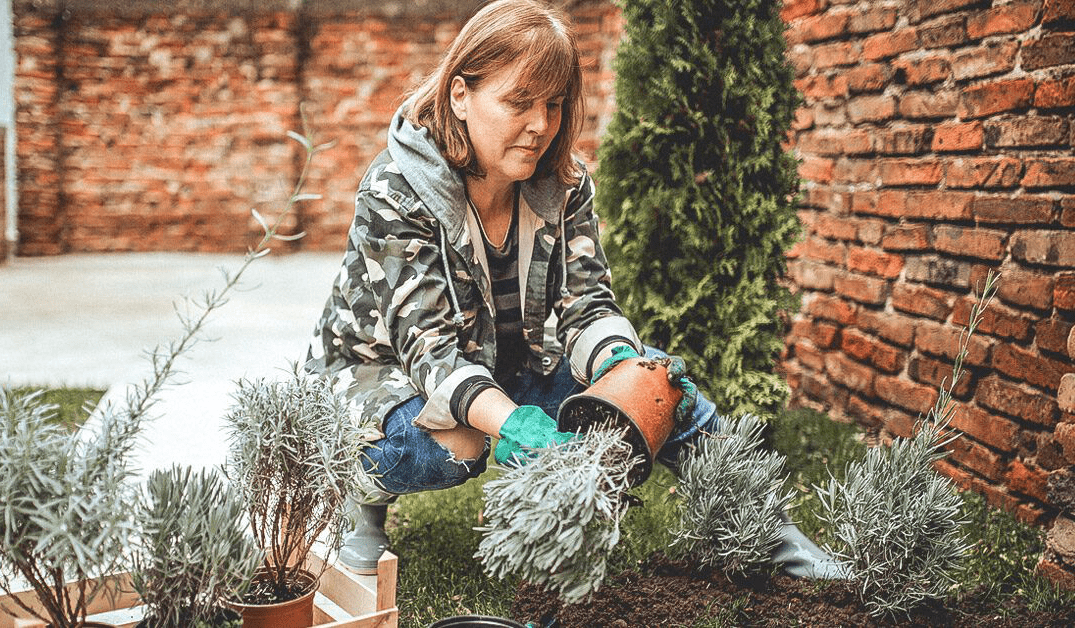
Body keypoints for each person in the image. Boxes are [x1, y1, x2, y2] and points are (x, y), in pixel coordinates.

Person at [305, 0, 842, 580]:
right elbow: (430, 353)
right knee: (457, 444)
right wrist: (511, 424)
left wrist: (621, 364)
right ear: (460, 95)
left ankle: (766, 530)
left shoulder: (564, 183)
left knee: (658, 385)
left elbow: (587, 303)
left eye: (554, 104)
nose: (541, 125)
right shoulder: (395, 189)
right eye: (518, 102)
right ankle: (361, 502)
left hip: (508, 360)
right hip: (379, 377)